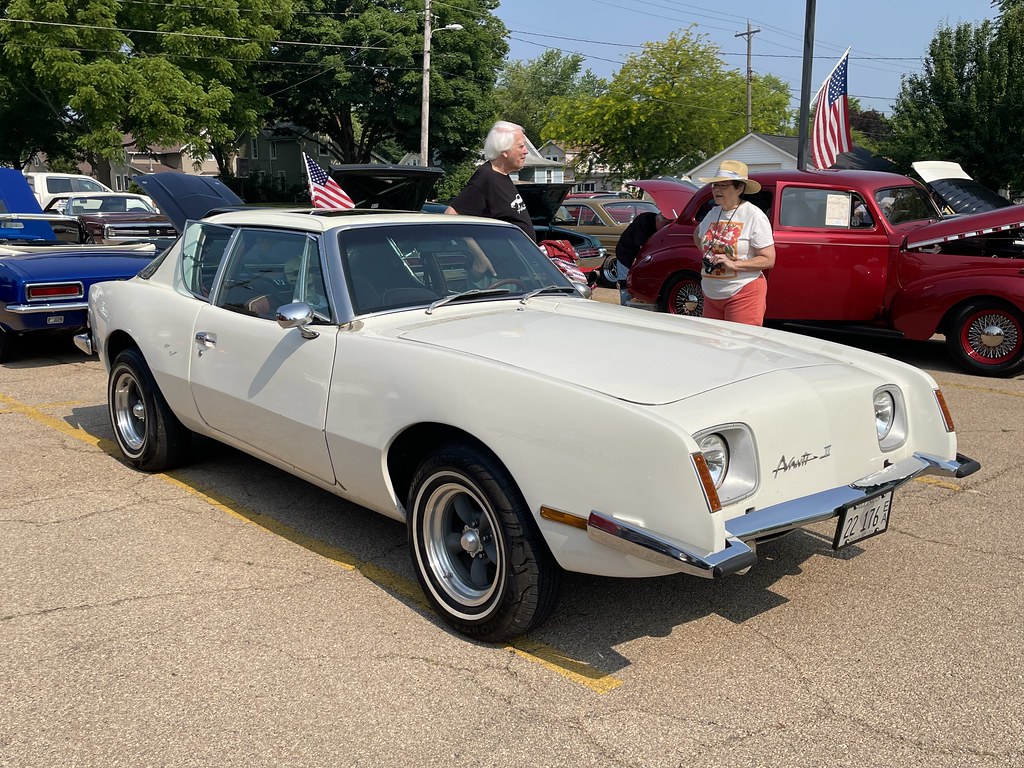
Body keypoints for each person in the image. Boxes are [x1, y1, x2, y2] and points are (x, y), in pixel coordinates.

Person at [445, 121, 534, 285]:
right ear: (504, 151)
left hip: (513, 274)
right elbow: (451, 215)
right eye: (521, 146)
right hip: (495, 279)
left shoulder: (502, 175)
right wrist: (480, 257)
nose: (526, 151)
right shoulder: (485, 177)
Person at [694, 160, 775, 325]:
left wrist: (734, 264)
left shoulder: (754, 215)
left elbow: (768, 259)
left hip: (743, 293)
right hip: (711, 294)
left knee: (739, 341)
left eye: (723, 185)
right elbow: (697, 234)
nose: (716, 190)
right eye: (715, 185)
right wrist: (708, 254)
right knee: (711, 341)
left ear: (740, 188)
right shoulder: (713, 213)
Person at [614, 210, 671, 306]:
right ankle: (625, 306)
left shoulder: (659, 226)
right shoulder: (644, 222)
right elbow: (641, 246)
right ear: (658, 220)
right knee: (626, 283)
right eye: (664, 225)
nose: (664, 229)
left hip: (638, 254)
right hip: (625, 253)